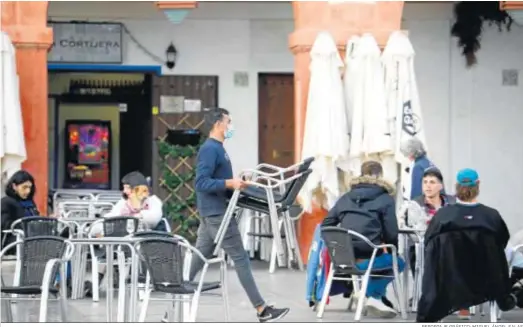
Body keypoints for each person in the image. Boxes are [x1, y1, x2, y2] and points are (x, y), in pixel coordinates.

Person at [189, 107, 289, 323]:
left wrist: (237, 182)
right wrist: (229, 183)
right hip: (217, 214)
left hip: (212, 212)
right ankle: (262, 309)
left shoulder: (218, 149)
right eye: (229, 121)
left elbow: (217, 181)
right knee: (241, 258)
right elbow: (201, 183)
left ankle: (173, 298)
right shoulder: (210, 149)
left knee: (198, 258)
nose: (231, 126)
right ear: (218, 124)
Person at [417, 168, 517, 322]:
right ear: (478, 185)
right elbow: (502, 243)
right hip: (486, 280)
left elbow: (429, 244)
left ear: (457, 186)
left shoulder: (442, 216)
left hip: (449, 279)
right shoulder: (491, 216)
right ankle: (504, 299)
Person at [321, 160, 405, 319]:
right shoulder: (385, 198)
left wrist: (336, 243)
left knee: (381, 259)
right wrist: (393, 249)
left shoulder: (346, 197)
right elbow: (391, 232)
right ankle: (370, 295)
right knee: (397, 262)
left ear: (360, 173)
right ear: (379, 175)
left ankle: (369, 296)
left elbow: (326, 224)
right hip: (369, 256)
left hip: (342, 258)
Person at [400, 167, 455, 277]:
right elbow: (412, 233)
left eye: (432, 182)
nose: (428, 186)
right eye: (425, 182)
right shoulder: (415, 205)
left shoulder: (451, 203)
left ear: (440, 186)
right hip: (422, 248)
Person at [1, 170, 40, 254]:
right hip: (14, 242)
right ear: (14, 186)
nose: (28, 191)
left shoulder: (30, 203)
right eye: (24, 187)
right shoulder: (6, 202)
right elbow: (4, 225)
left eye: (30, 187)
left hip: (32, 238)